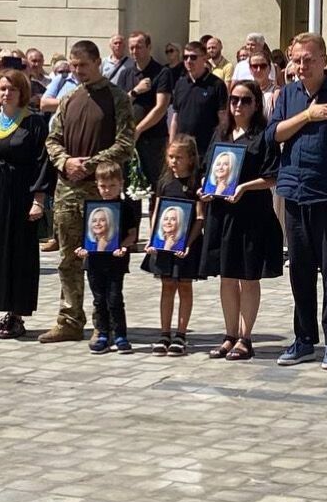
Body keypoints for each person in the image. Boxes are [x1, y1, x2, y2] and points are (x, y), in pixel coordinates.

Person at [269, 33, 327, 371]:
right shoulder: (287, 95)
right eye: (297, 59)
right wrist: (308, 116)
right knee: (300, 272)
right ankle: (304, 339)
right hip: (294, 194)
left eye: (309, 59)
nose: (302, 65)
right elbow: (274, 134)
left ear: (323, 59)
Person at [41, 40, 135, 343]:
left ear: (97, 63)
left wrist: (91, 164)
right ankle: (69, 319)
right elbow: (52, 139)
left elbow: (125, 144)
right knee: (69, 258)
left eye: (83, 65)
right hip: (68, 190)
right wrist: (66, 161)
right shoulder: (69, 99)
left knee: (100, 257)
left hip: (100, 191)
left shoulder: (117, 98)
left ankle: (103, 324)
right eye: (74, 65)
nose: (78, 70)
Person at [198, 80, 282, 361]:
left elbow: (272, 176)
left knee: (248, 277)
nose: (238, 105)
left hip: (252, 215)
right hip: (222, 214)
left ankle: (246, 338)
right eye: (234, 99)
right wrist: (205, 188)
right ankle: (229, 334)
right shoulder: (220, 133)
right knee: (227, 276)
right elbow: (209, 170)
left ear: (256, 104)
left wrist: (244, 187)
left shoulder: (263, 135)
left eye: (245, 100)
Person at [0, 69, 49, 341]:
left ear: (21, 92)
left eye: (11, 89)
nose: (6, 93)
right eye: (2, 88)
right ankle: (5, 310)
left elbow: (42, 163)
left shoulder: (34, 123)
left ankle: (18, 314)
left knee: (18, 255)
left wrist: (38, 200)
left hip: (20, 196)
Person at [142, 135, 204, 356]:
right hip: (164, 245)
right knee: (167, 286)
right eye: (170, 156)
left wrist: (189, 242)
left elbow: (199, 218)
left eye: (179, 157)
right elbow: (157, 212)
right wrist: (151, 239)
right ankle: (164, 332)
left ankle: (181, 333)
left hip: (185, 245)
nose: (174, 161)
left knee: (185, 287)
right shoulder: (165, 183)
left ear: (190, 159)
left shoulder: (196, 184)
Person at [80, 162, 141, 354]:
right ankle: (103, 334)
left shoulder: (126, 208)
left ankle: (120, 334)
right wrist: (82, 249)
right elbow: (86, 235)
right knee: (99, 300)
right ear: (97, 185)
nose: (107, 190)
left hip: (116, 261)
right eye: (103, 186)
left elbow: (133, 234)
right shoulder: (92, 208)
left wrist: (123, 246)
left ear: (121, 184)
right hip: (94, 262)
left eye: (112, 186)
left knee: (114, 298)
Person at [124, 31, 171, 186]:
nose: (134, 51)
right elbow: (120, 103)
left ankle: (154, 210)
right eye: (131, 48)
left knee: (156, 182)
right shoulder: (126, 73)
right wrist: (135, 91)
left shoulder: (162, 72)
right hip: (130, 138)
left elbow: (161, 108)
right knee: (130, 183)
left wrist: (139, 129)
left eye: (139, 47)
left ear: (149, 47)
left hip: (154, 138)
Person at [169, 40, 227, 158]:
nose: (188, 61)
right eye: (185, 57)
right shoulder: (180, 83)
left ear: (204, 58)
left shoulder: (217, 84)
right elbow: (175, 118)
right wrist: (171, 144)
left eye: (193, 57)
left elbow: (223, 120)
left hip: (206, 150)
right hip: (182, 150)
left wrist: (219, 147)